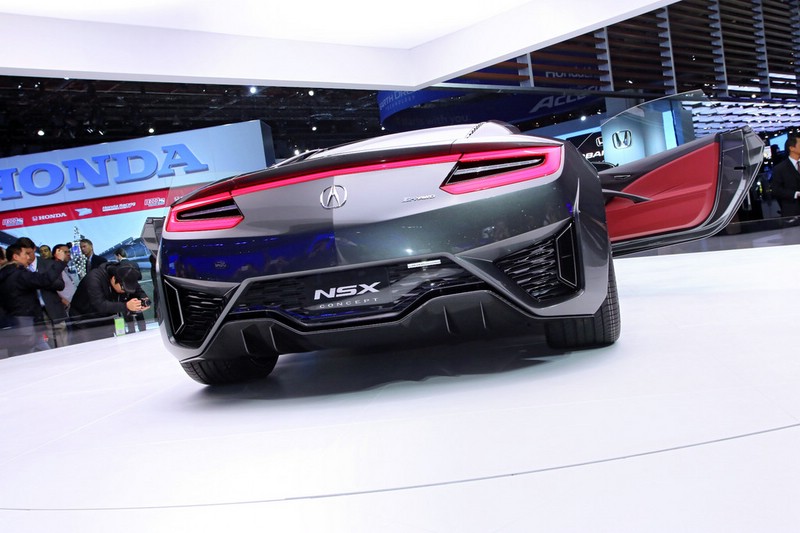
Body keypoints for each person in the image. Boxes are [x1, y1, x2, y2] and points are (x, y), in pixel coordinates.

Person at [0, 243, 67, 356]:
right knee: (22, 359)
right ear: (16, 257)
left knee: (46, 355)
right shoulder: (18, 275)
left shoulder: (6, 274)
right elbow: (45, 280)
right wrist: (59, 261)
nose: (28, 257)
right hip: (25, 327)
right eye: (25, 254)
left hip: (20, 326)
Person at [69, 261, 150, 343]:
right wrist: (126, 306)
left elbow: (139, 291)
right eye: (124, 289)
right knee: (89, 348)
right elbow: (100, 305)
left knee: (110, 346)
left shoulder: (126, 274)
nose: (125, 292)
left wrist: (144, 300)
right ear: (114, 278)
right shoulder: (94, 279)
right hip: (84, 321)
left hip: (107, 319)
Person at [771, 134, 800, 219]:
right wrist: (796, 194)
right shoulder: (779, 168)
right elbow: (776, 190)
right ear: (792, 148)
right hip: (793, 212)